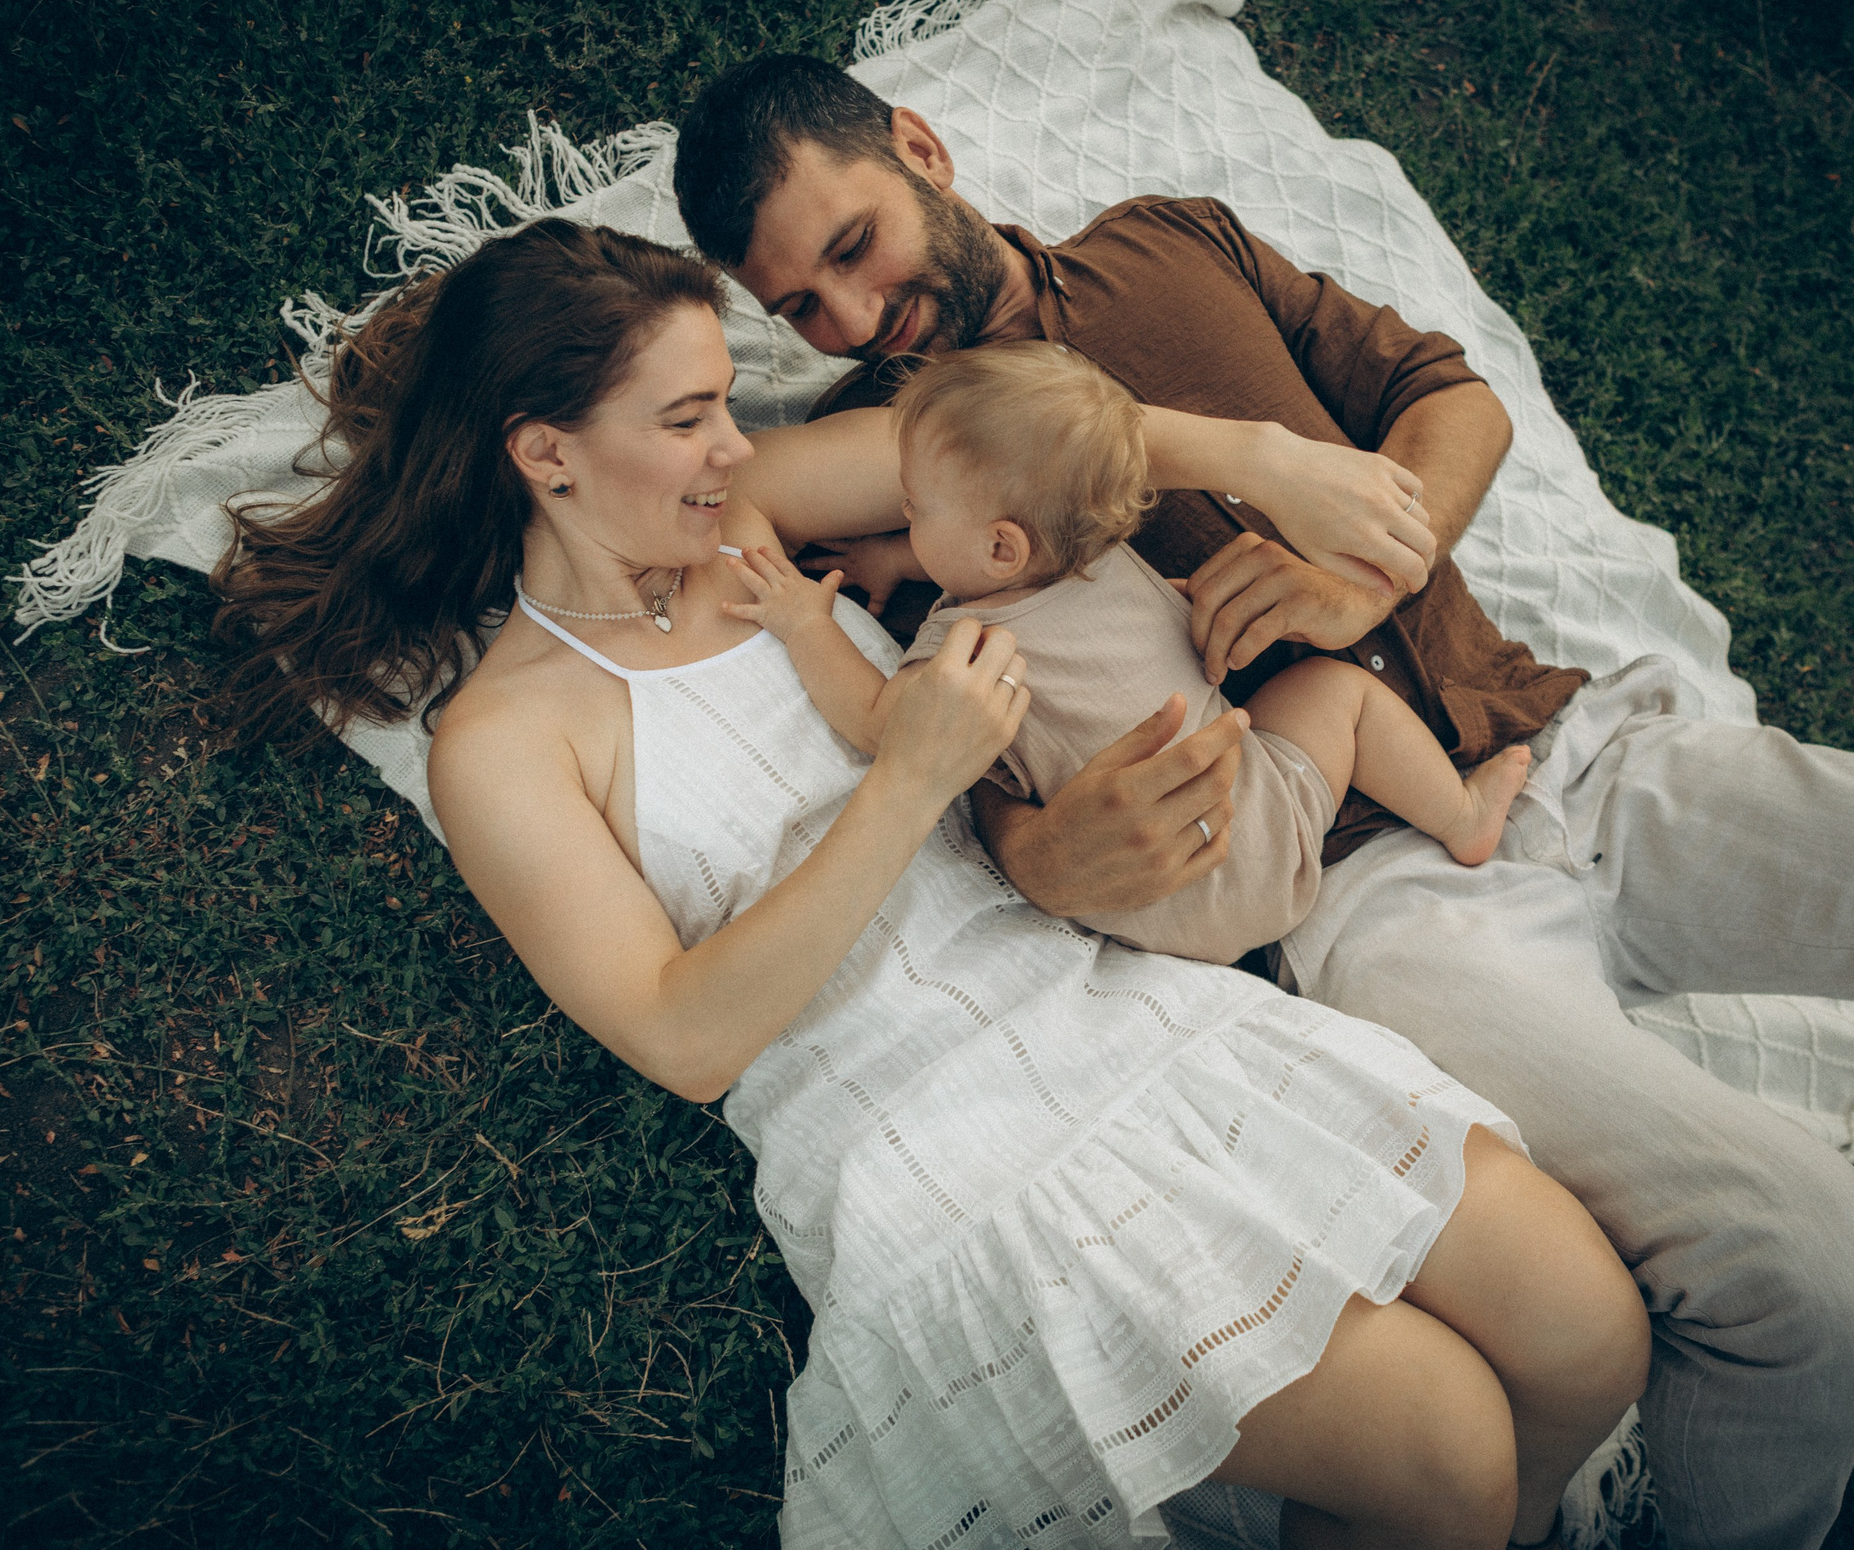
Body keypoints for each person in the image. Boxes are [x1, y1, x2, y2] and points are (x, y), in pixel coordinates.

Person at [675, 53, 1854, 1550]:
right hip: (1366, 887)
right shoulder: (900, 451)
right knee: (1816, 1271)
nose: (860, 314)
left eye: (860, 248)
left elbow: (1451, 399)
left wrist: (1361, 540)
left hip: (1556, 739)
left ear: (921, 147)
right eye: (801, 305)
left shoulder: (1166, 243)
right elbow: (850, 628)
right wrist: (1215, 500)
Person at [211, 217, 1649, 1550]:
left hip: (1112, 1005)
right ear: (547, 452)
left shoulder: (747, 526)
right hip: (928, 1136)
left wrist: (1258, 458)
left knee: (1591, 1330)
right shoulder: (506, 739)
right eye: (690, 416)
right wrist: (908, 781)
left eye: (728, 400)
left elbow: (1011, 441)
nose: (739, 441)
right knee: (1448, 1446)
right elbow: (686, 1036)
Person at [723, 339, 1532, 967]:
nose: (900, 513)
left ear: (1001, 548)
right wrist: (902, 556)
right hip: (1268, 836)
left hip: (1149, 898)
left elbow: (874, 720)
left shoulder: (966, 651)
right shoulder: (1110, 564)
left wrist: (804, 623)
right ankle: (1460, 817)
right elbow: (1010, 574)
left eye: (914, 506)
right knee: (1338, 692)